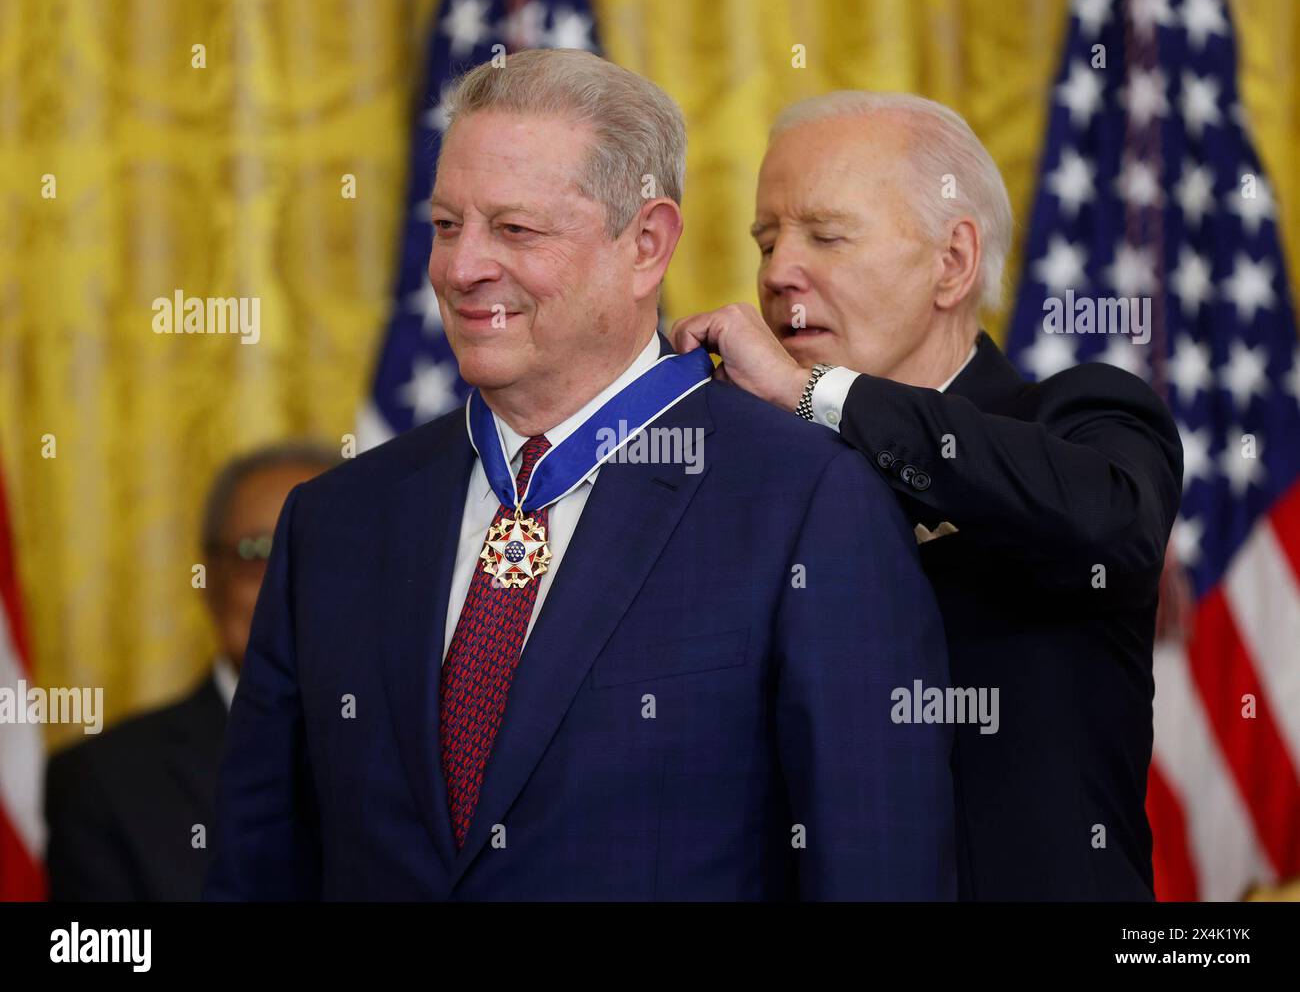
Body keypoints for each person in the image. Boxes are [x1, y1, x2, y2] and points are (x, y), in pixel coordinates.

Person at [204, 51, 955, 901]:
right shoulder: (334, 521)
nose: (460, 268)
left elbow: (877, 874)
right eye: (448, 225)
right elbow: (257, 873)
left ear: (646, 244)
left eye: (515, 230)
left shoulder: (807, 504)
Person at [671, 91, 1183, 900]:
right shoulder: (750, 468)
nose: (777, 272)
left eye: (825, 236)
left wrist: (821, 394)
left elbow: (1111, 523)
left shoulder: (1076, 417)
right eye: (766, 241)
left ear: (952, 262)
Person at [45, 442, 335, 900]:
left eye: (324, 551)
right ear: (210, 581)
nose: (288, 583)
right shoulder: (104, 784)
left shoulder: (435, 758)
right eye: (258, 552)